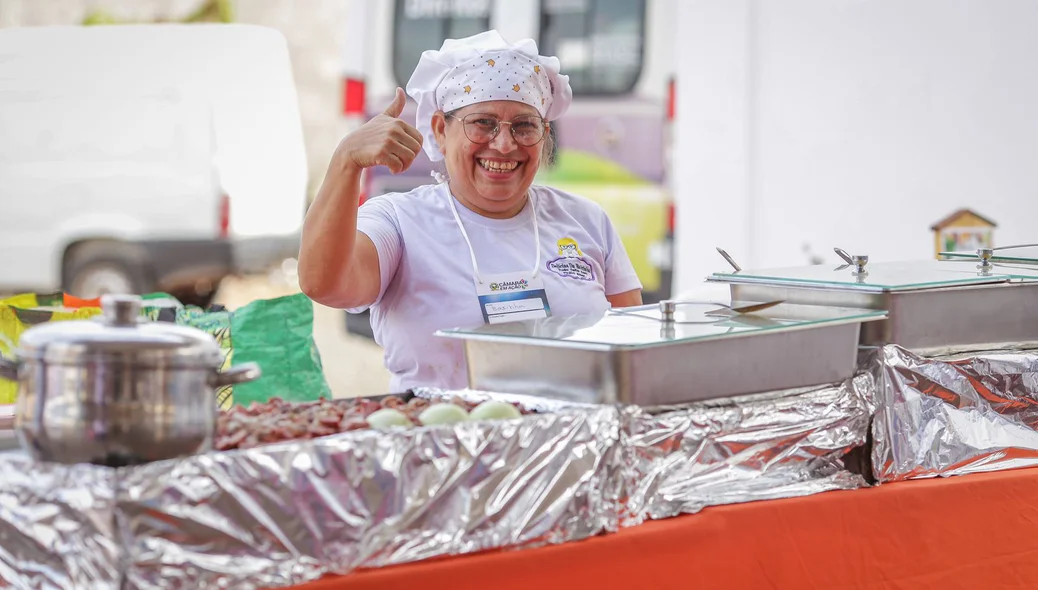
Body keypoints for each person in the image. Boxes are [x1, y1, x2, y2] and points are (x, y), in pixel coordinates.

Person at [298, 30, 643, 392]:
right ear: (440, 130)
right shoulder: (399, 221)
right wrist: (345, 162)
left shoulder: (586, 221)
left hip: (577, 442)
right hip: (441, 439)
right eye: (483, 123)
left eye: (525, 126)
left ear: (544, 134)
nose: (504, 144)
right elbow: (325, 284)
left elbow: (634, 350)